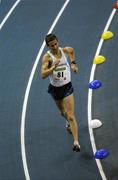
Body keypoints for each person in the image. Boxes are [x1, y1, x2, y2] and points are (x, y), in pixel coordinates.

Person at [41, 33, 80, 152]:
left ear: (58, 42)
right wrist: (53, 66)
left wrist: (73, 64)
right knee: (63, 112)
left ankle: (76, 142)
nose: (54, 47)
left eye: (55, 44)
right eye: (51, 45)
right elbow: (43, 75)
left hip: (67, 87)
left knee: (71, 115)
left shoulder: (66, 50)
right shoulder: (47, 58)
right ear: (48, 46)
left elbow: (72, 51)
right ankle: (67, 122)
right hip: (55, 89)